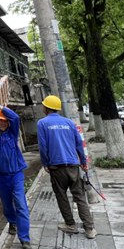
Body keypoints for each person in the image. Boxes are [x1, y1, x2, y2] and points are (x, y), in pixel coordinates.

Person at [37, 95, 96, 239]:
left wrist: (45, 163)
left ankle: (70, 225)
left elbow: (43, 147)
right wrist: (83, 162)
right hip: (73, 166)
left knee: (61, 196)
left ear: (46, 108)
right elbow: (79, 144)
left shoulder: (42, 123)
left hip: (56, 167)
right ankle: (89, 229)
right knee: (80, 196)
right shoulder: (69, 123)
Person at [0, 100, 32, 249]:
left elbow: (15, 118)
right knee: (6, 204)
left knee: (21, 204)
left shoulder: (13, 133)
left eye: (5, 121)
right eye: (1, 120)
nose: (3, 123)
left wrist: (0, 107)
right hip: (0, 176)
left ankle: (24, 238)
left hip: (16, 174)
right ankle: (12, 221)